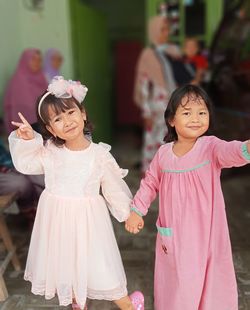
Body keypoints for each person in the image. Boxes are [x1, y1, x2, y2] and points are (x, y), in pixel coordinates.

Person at [8, 76, 144, 310]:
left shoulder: (98, 155)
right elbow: (26, 164)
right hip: (57, 222)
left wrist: (127, 213)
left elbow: (112, 187)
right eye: (58, 119)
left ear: (83, 113)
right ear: (51, 129)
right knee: (66, 267)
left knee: (100, 266)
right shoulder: (49, 151)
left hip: (89, 223)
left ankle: (129, 305)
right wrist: (29, 141)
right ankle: (77, 303)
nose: (67, 121)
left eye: (71, 113)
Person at [125, 84, 250, 310]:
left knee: (211, 279)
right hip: (175, 234)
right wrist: (136, 211)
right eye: (187, 112)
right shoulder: (163, 154)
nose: (196, 118)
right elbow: (150, 183)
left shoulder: (210, 147)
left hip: (207, 233)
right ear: (172, 120)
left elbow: (232, 151)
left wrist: (247, 148)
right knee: (178, 281)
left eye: (202, 112)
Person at [133, 15, 181, 173]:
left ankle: (167, 172)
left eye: (167, 29)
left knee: (170, 139)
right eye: (162, 29)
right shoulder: (148, 54)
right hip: (156, 105)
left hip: (173, 102)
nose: (166, 33)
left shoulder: (172, 52)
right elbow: (144, 85)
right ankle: (149, 173)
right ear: (153, 31)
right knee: (153, 141)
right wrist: (146, 112)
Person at [0, 132, 44, 226]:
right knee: (21, 184)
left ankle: (45, 214)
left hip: (8, 163)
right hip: (3, 173)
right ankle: (32, 214)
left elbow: (5, 155)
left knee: (39, 177)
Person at [3, 48, 48, 134]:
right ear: (25, 61)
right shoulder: (19, 80)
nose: (37, 62)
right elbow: (22, 111)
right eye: (33, 59)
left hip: (43, 121)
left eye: (39, 60)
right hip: (26, 127)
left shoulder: (41, 77)